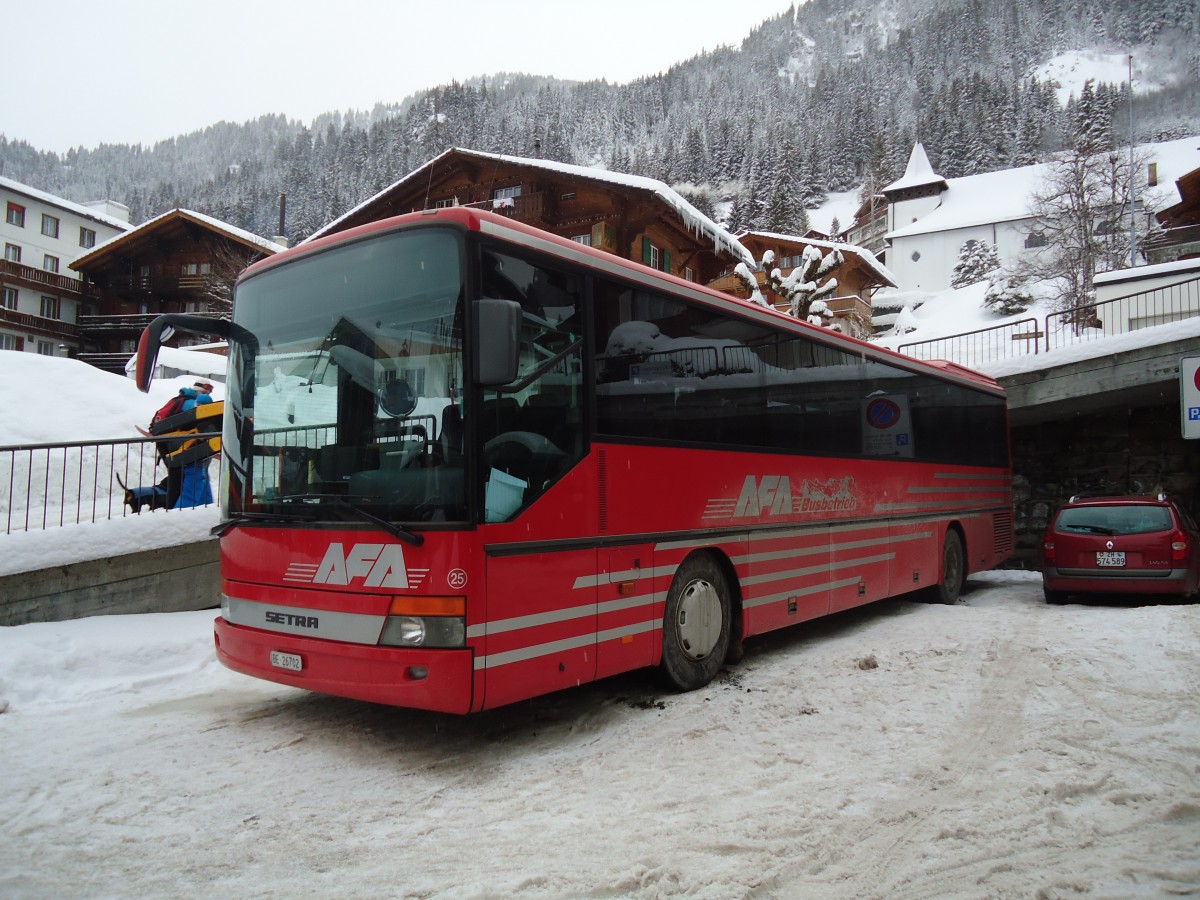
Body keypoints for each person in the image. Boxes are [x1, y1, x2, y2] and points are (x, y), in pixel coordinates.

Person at [172, 381, 217, 509]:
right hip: (196, 461)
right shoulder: (203, 419)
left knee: (205, 497)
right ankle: (178, 517)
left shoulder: (190, 413)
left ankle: (207, 514)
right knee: (190, 496)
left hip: (196, 461)